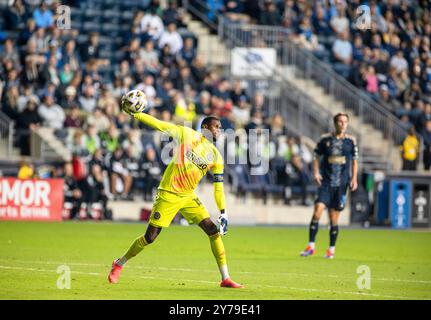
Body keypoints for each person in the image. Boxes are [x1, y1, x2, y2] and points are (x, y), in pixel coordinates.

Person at [108, 111, 243, 288]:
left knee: (213, 230)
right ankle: (119, 263)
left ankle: (225, 278)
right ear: (205, 128)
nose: (219, 130)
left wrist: (223, 212)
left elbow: (219, 187)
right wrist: (137, 114)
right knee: (150, 237)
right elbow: (160, 125)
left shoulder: (216, 156)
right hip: (169, 193)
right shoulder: (187, 134)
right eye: (216, 127)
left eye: (220, 128)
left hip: (188, 196)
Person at [300, 113, 358, 259]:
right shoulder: (325, 139)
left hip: (341, 184)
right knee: (317, 211)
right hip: (325, 182)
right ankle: (311, 246)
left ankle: (331, 249)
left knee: (333, 218)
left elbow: (355, 161)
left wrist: (354, 179)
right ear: (335, 123)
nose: (343, 124)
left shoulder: (351, 142)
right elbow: (316, 156)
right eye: (340, 121)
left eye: (345, 122)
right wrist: (316, 172)